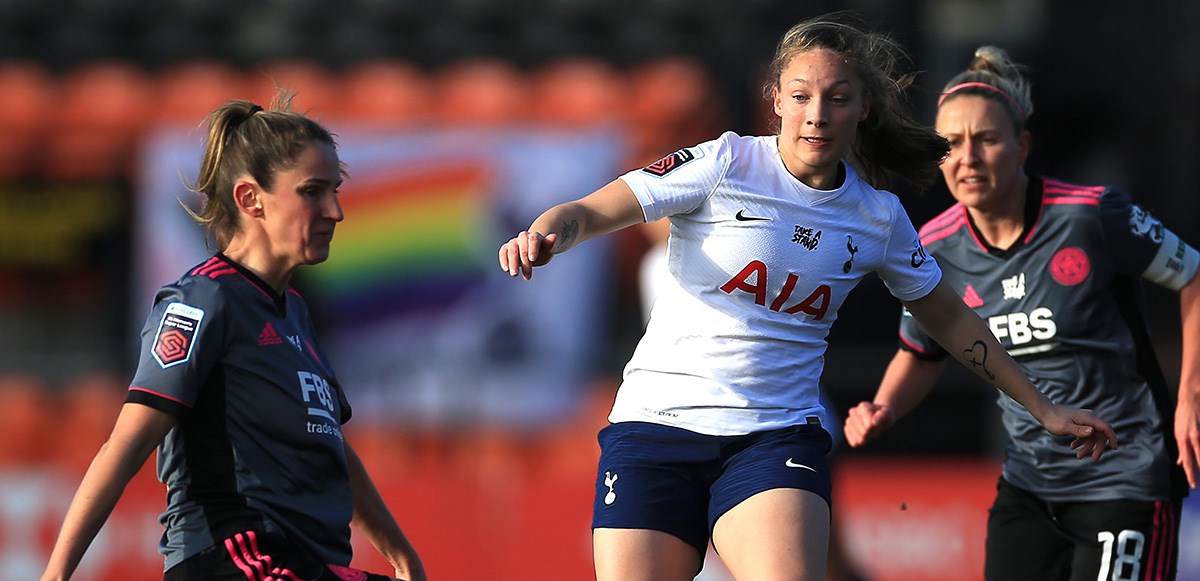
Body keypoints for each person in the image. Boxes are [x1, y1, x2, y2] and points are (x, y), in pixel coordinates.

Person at [498, 14, 1118, 581]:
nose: (816, 114)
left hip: (773, 438)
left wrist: (1043, 408)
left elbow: (952, 320)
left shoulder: (878, 217)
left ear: (864, 107)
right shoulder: (722, 163)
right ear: (775, 100)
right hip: (655, 427)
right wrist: (545, 235)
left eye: (837, 98)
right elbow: (590, 210)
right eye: (800, 97)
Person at [843, 45, 1199, 580]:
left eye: (986, 139)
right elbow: (921, 351)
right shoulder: (934, 247)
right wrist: (883, 408)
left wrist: (1190, 397)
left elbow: (1194, 273)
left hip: (1125, 478)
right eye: (951, 143)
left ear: (1022, 146)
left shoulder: (1093, 215)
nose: (968, 157)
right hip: (1029, 488)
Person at [41, 93, 426, 581]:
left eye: (336, 190)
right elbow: (127, 444)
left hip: (301, 564)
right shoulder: (204, 300)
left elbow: (329, 446)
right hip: (235, 558)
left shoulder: (295, 313)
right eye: (312, 191)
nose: (335, 211)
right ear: (250, 199)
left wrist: (402, 557)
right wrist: (56, 574)